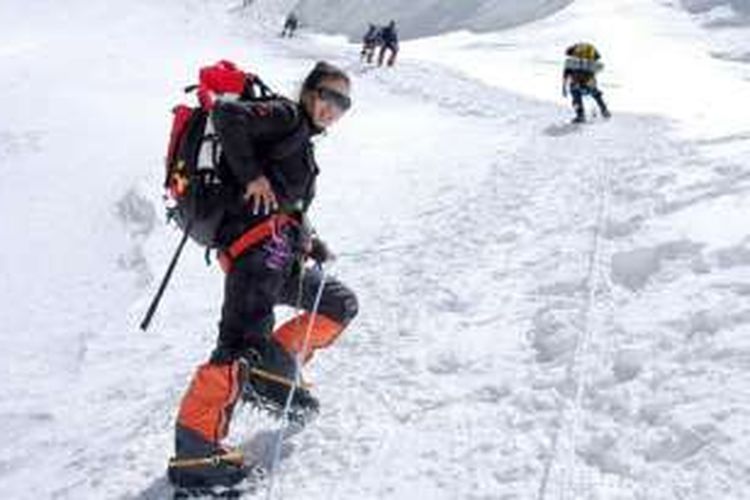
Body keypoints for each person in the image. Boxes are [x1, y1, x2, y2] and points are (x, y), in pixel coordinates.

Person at [168, 61, 358, 488]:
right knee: (238, 344)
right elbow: (227, 115)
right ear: (310, 92)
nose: (334, 107)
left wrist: (309, 238)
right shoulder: (286, 115)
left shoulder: (300, 140)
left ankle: (272, 371)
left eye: (343, 103)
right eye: (328, 95)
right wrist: (252, 177)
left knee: (337, 303)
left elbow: (286, 202)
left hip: (281, 254)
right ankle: (197, 455)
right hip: (256, 253)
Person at [562, 42, 611, 123]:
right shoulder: (589, 49)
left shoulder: (571, 61)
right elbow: (598, 59)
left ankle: (580, 115)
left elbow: (566, 73)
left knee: (575, 94)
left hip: (576, 81)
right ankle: (604, 110)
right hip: (589, 79)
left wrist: (563, 87)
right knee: (595, 93)